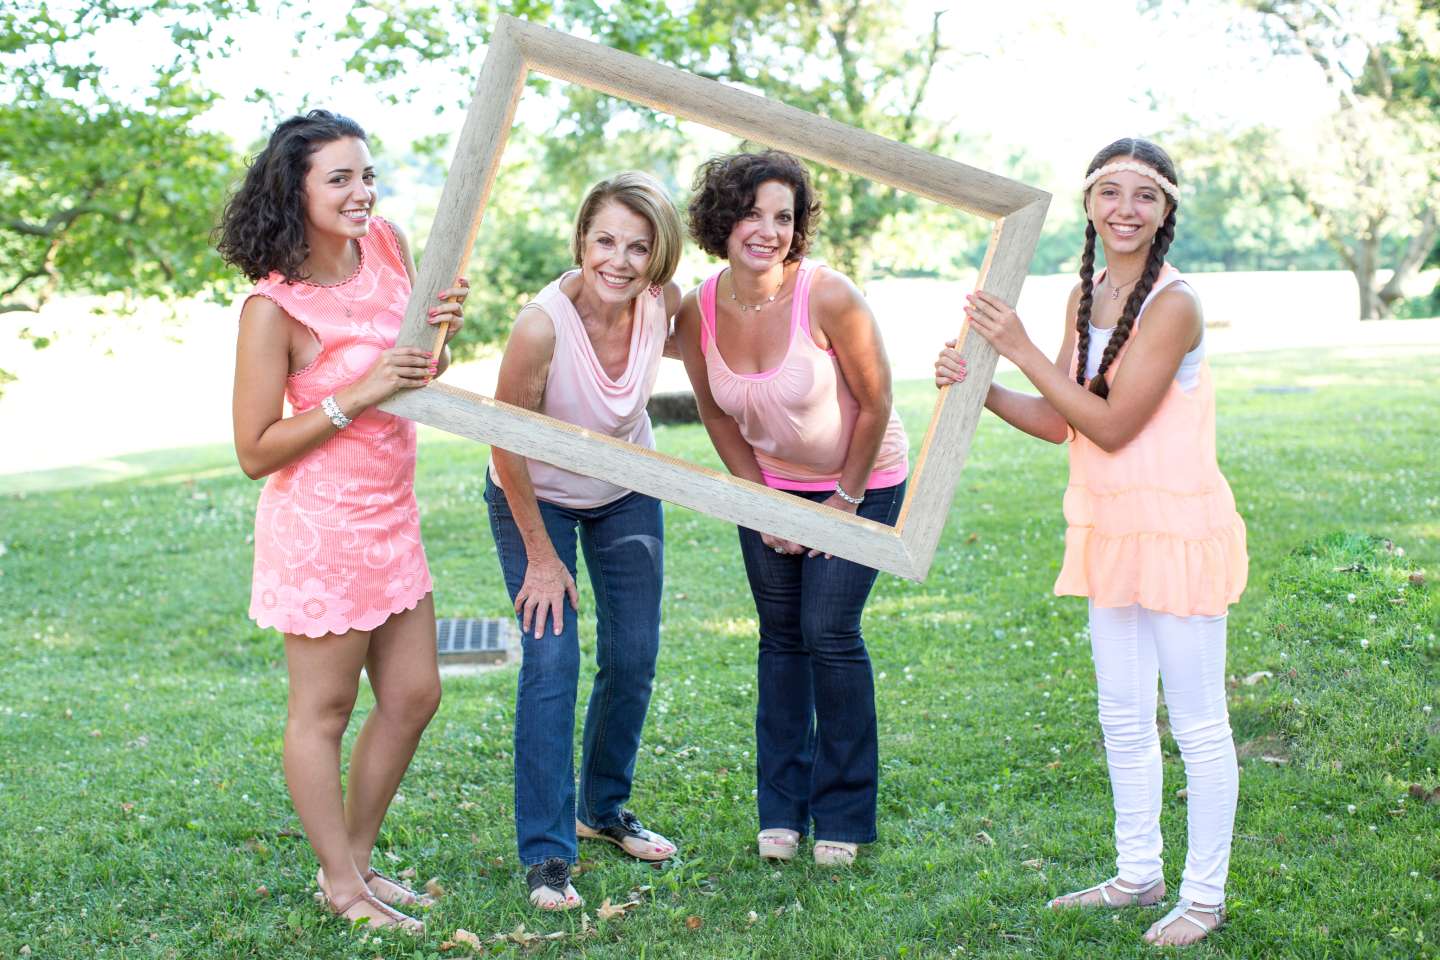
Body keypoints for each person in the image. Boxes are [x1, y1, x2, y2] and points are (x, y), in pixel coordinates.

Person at [935, 137, 1247, 947]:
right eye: (1110, 191)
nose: (1126, 209)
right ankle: (1138, 874)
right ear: (1088, 203)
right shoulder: (1088, 295)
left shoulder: (1173, 303)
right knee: (1120, 714)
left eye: (1145, 194)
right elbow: (1059, 417)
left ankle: (1204, 897)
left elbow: (1109, 426)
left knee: (1199, 722)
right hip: (1110, 526)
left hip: (1176, 529)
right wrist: (981, 385)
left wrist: (1020, 348)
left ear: (1167, 209)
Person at [219, 109, 468, 933]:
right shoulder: (272, 309)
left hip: (392, 513)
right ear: (296, 190)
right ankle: (341, 882)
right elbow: (255, 450)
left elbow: (413, 369)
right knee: (320, 714)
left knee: (414, 694)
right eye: (340, 179)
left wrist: (440, 339)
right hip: (320, 531)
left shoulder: (388, 245)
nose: (363, 193)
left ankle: (356, 862)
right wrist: (357, 394)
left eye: (367, 174)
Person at [674, 150, 909, 868]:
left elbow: (876, 404)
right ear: (723, 218)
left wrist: (841, 502)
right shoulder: (699, 308)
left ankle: (841, 813)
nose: (768, 230)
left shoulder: (829, 296)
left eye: (784, 215)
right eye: (751, 212)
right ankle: (781, 809)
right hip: (769, 485)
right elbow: (715, 416)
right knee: (779, 641)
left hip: (861, 483)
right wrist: (759, 499)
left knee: (827, 633)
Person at [485, 171, 683, 910]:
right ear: (581, 239)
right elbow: (504, 444)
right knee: (552, 657)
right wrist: (541, 554)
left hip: (624, 491)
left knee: (633, 655)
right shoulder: (541, 325)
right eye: (605, 240)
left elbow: (727, 346)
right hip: (532, 496)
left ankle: (603, 809)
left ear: (658, 255)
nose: (620, 261)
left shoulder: (662, 304)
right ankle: (545, 853)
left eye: (639, 246)